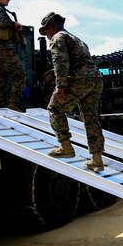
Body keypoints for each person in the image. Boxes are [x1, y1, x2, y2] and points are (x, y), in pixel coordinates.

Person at [38, 12, 106, 173]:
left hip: (80, 78)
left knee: (54, 109)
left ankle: (65, 147)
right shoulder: (77, 39)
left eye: (46, 31)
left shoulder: (58, 38)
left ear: (52, 27)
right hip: (96, 78)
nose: (46, 35)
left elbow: (60, 61)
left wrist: (60, 85)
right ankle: (97, 160)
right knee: (90, 118)